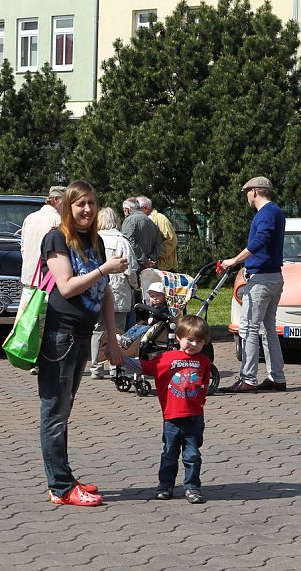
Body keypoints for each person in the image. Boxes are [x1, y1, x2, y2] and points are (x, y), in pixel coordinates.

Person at [38, 180, 129, 507]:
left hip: (80, 334)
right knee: (54, 412)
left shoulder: (94, 241)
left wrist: (112, 338)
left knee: (64, 409)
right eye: (81, 204)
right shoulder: (57, 238)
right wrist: (104, 268)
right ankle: (60, 487)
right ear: (68, 206)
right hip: (59, 333)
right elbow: (66, 286)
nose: (88, 210)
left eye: (92, 203)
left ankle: (63, 478)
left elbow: (103, 291)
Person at [122, 315, 211, 504]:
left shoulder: (204, 362)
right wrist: (120, 358)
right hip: (171, 417)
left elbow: (204, 385)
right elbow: (142, 366)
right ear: (179, 337)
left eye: (199, 341)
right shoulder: (166, 358)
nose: (194, 344)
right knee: (169, 452)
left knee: (193, 454)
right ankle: (165, 485)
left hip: (194, 417)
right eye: (190, 339)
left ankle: (192, 487)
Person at [221, 176, 286, 393]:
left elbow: (259, 241)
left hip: (261, 280)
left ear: (255, 192)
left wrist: (234, 260)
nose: (247, 196)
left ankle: (248, 379)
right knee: (268, 329)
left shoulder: (266, 213)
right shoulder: (275, 211)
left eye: (247, 192)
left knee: (248, 328)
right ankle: (277, 377)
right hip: (274, 278)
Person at [20, 186, 65, 375]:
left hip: (29, 276)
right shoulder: (57, 220)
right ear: (55, 200)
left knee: (28, 319)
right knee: (45, 322)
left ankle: (27, 354)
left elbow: (22, 247)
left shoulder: (30, 218)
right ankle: (41, 359)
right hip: (47, 278)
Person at [90, 207, 138, 379]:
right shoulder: (121, 241)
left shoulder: (93, 239)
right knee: (117, 329)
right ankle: (114, 366)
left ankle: (95, 366)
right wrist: (135, 286)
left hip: (96, 288)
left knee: (97, 330)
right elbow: (130, 268)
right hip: (119, 291)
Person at [119, 281, 171, 348]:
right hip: (149, 325)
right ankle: (125, 337)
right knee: (136, 327)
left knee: (143, 328)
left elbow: (164, 317)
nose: (155, 298)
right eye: (152, 296)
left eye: (158, 295)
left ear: (164, 296)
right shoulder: (151, 306)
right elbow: (147, 315)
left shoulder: (164, 308)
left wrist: (154, 319)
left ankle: (130, 339)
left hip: (157, 327)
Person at [137, 196, 178, 271]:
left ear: (145, 208)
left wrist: (154, 255)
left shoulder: (160, 219)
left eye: (137, 208)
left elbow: (171, 240)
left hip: (163, 267)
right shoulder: (142, 220)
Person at [121, 197, 162, 270]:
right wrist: (150, 260)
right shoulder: (152, 223)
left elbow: (128, 243)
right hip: (148, 267)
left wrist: (144, 261)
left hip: (133, 266)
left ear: (127, 210)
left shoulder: (129, 220)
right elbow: (158, 244)